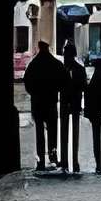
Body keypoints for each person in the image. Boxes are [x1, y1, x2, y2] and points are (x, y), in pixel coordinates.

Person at [22, 41, 62, 173]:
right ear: (48, 48)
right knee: (52, 130)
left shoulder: (33, 64)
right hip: (51, 102)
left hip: (38, 103)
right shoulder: (55, 63)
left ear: (39, 48)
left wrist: (34, 93)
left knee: (39, 132)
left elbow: (27, 82)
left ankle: (40, 160)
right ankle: (53, 156)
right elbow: (63, 81)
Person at [59, 46, 87, 174]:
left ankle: (66, 161)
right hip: (73, 103)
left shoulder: (62, 69)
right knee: (74, 132)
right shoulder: (79, 69)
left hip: (68, 104)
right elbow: (84, 88)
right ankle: (73, 161)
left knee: (65, 132)